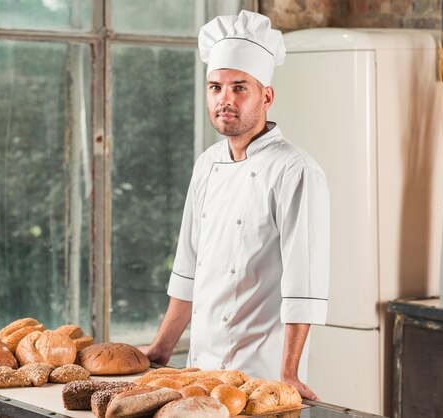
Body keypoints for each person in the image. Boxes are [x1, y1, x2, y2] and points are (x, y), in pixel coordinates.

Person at [139, 10, 330, 400]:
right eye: (215, 87)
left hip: (263, 377)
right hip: (199, 374)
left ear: (267, 96)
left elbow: (303, 285)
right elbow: (189, 269)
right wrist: (160, 349)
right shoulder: (207, 164)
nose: (225, 99)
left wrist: (289, 373)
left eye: (239, 87)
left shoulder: (296, 171)